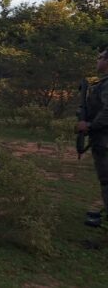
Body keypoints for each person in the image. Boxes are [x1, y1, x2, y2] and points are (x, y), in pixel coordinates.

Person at [77, 47, 108, 228]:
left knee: (106, 179)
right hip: (101, 137)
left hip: (104, 139)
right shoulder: (102, 83)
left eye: (101, 58)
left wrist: (90, 125)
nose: (98, 60)